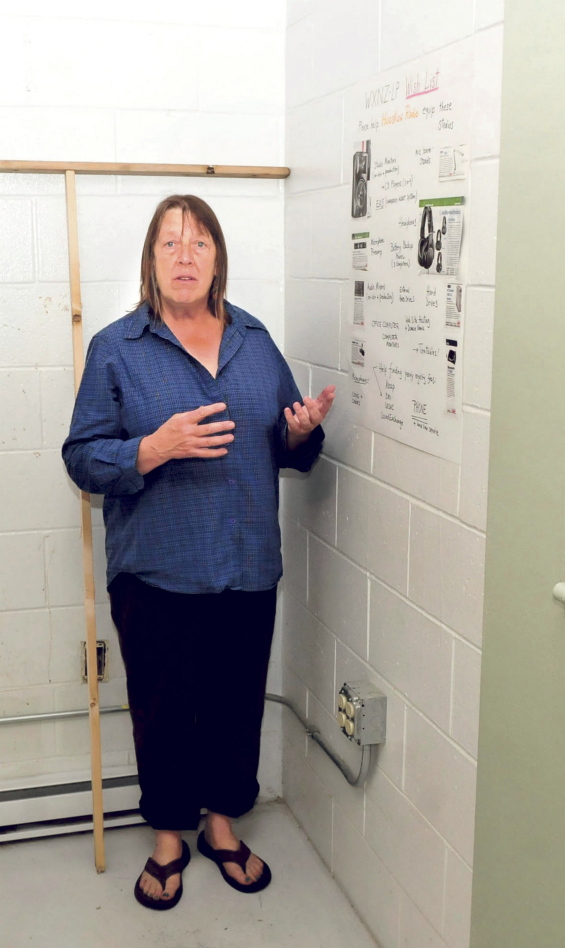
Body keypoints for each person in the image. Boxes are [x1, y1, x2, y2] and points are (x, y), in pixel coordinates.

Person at [63, 194, 335, 910]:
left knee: (234, 705)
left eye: (199, 244)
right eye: (169, 245)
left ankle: (221, 826)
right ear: (151, 262)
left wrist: (301, 433)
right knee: (162, 708)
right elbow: (83, 458)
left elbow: (283, 443)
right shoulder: (117, 349)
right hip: (155, 572)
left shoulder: (254, 338)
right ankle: (166, 838)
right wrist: (150, 449)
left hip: (246, 567)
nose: (185, 257)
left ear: (218, 259)